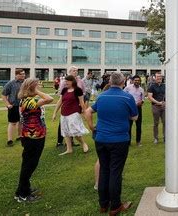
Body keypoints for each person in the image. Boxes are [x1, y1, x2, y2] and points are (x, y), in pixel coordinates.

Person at [85, 72, 138, 215]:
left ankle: (103, 204)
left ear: (110, 81)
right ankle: (115, 206)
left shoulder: (102, 96)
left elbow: (88, 111)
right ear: (123, 82)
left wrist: (91, 127)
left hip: (101, 138)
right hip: (119, 140)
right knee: (115, 171)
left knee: (104, 170)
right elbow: (134, 117)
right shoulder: (127, 97)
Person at [14, 78, 53, 202]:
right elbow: (49, 99)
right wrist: (36, 91)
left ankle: (23, 190)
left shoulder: (28, 100)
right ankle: (23, 194)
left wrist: (34, 90)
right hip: (33, 137)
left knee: (29, 164)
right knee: (29, 165)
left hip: (34, 135)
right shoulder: (29, 101)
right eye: (37, 84)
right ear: (32, 87)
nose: (40, 85)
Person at [53, 75, 89, 155]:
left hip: (74, 113)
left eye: (67, 81)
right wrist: (55, 113)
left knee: (75, 131)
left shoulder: (78, 90)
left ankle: (83, 143)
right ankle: (69, 149)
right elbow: (60, 101)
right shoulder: (64, 90)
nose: (65, 83)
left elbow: (82, 103)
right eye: (65, 81)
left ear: (72, 81)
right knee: (65, 131)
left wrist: (85, 113)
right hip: (64, 113)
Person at [56, 66, 85, 147]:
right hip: (66, 105)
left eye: (76, 71)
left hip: (76, 105)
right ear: (69, 72)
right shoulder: (64, 82)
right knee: (63, 124)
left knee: (73, 124)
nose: (75, 72)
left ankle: (71, 142)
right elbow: (61, 93)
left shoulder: (80, 81)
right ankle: (59, 142)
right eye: (74, 71)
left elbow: (83, 91)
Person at [1, 69, 26, 147]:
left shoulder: (25, 83)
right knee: (12, 123)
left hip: (23, 105)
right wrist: (7, 104)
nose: (23, 75)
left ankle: (19, 136)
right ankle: (10, 140)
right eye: (21, 74)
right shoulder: (11, 83)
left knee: (21, 121)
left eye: (24, 74)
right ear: (16, 75)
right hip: (13, 106)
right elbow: (3, 94)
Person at [124, 75, 145, 146]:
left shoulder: (141, 89)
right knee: (129, 126)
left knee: (138, 126)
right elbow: (123, 97)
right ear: (133, 81)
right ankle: (128, 142)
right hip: (129, 109)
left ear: (140, 81)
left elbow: (143, 99)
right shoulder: (127, 88)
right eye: (135, 80)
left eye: (138, 80)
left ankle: (138, 141)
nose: (137, 81)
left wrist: (141, 102)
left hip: (138, 109)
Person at [147, 72, 165, 144]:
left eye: (160, 77)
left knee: (165, 122)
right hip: (155, 106)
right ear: (155, 78)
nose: (159, 78)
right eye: (158, 77)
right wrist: (158, 103)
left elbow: (168, 95)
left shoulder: (165, 86)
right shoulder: (152, 86)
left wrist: (165, 102)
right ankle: (156, 138)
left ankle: (165, 137)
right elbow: (149, 97)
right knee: (156, 123)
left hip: (164, 106)